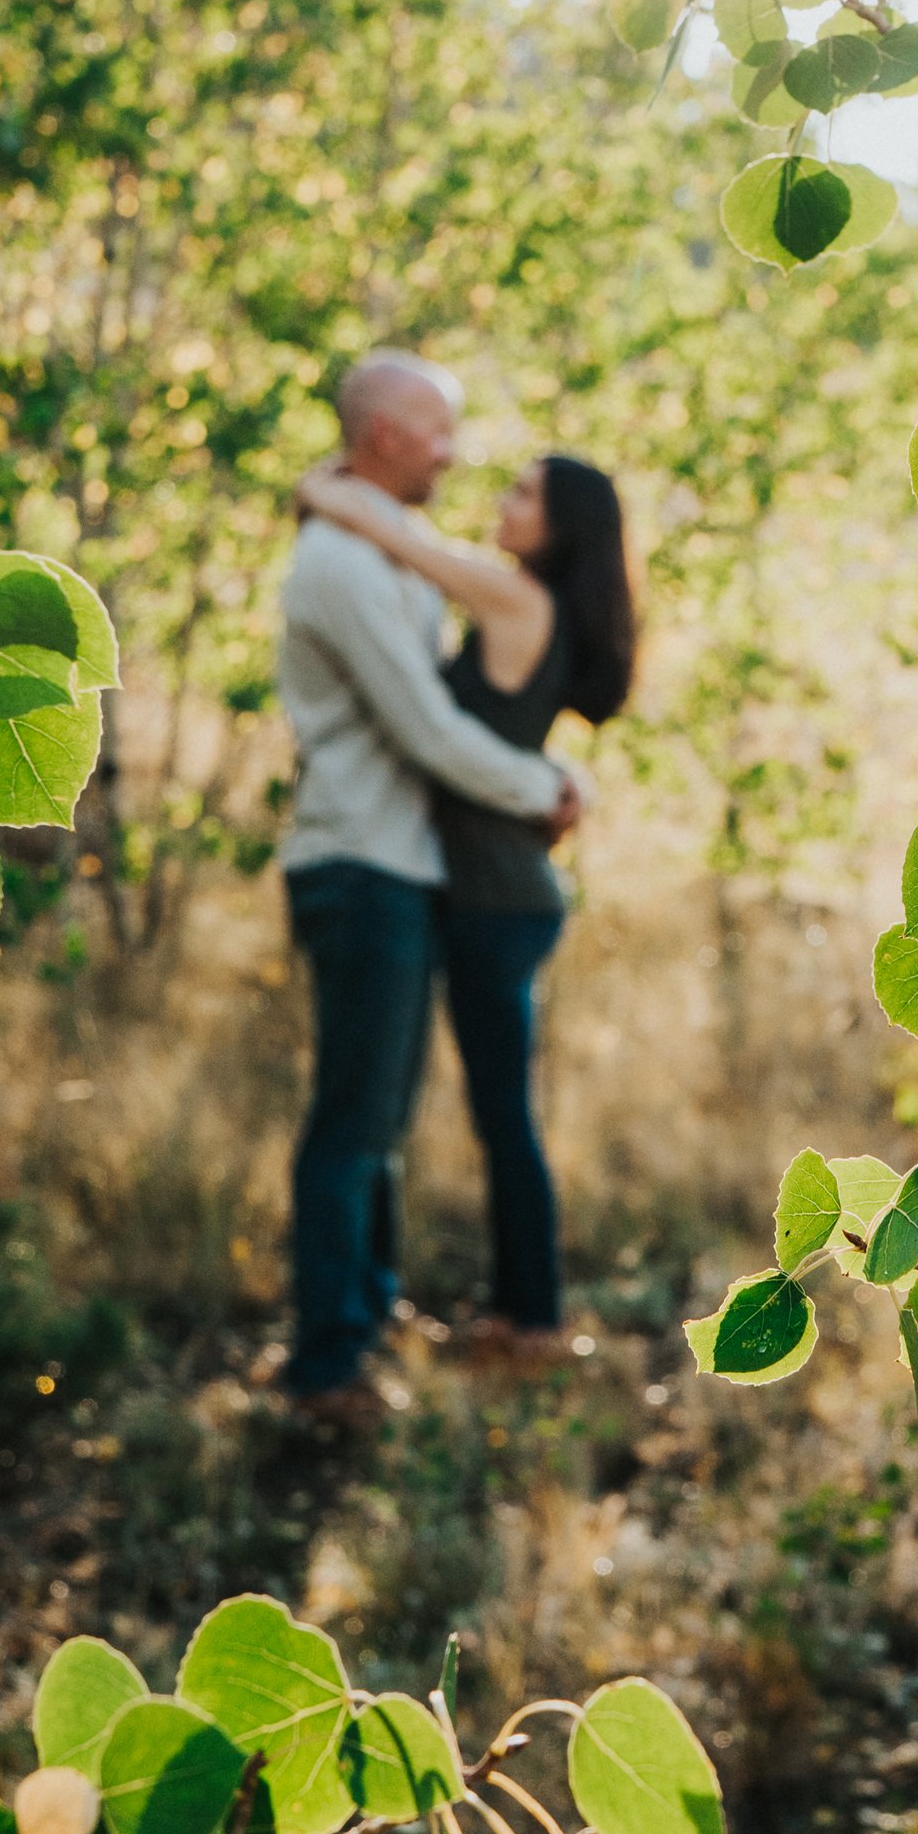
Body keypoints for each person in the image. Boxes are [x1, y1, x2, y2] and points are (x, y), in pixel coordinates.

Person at [274, 353, 589, 1421]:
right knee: (352, 1124)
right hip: (356, 865)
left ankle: (365, 1309)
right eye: (438, 432)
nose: (456, 455)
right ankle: (323, 1366)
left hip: (399, 866)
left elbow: (442, 568)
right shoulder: (340, 564)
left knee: (382, 1120)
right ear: (383, 437)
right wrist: (540, 783)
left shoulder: (379, 545)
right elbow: (422, 728)